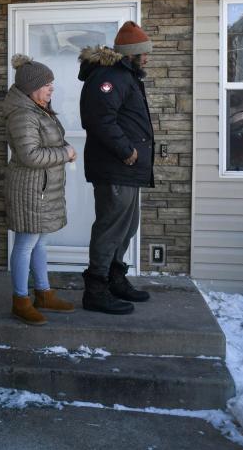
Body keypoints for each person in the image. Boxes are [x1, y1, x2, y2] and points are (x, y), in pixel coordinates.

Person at [77, 21, 155, 315]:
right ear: (130, 53)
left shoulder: (127, 75)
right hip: (116, 166)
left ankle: (115, 278)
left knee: (127, 227)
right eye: (144, 52)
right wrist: (127, 151)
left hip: (129, 169)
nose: (147, 57)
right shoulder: (110, 77)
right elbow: (98, 119)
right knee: (110, 228)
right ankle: (95, 290)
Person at [4, 54, 78, 325]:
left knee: (40, 242)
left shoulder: (38, 109)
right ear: (32, 87)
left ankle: (44, 294)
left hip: (42, 189)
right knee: (26, 243)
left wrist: (63, 151)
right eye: (48, 84)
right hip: (30, 189)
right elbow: (31, 156)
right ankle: (20, 300)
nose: (52, 89)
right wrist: (65, 152)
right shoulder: (23, 114)